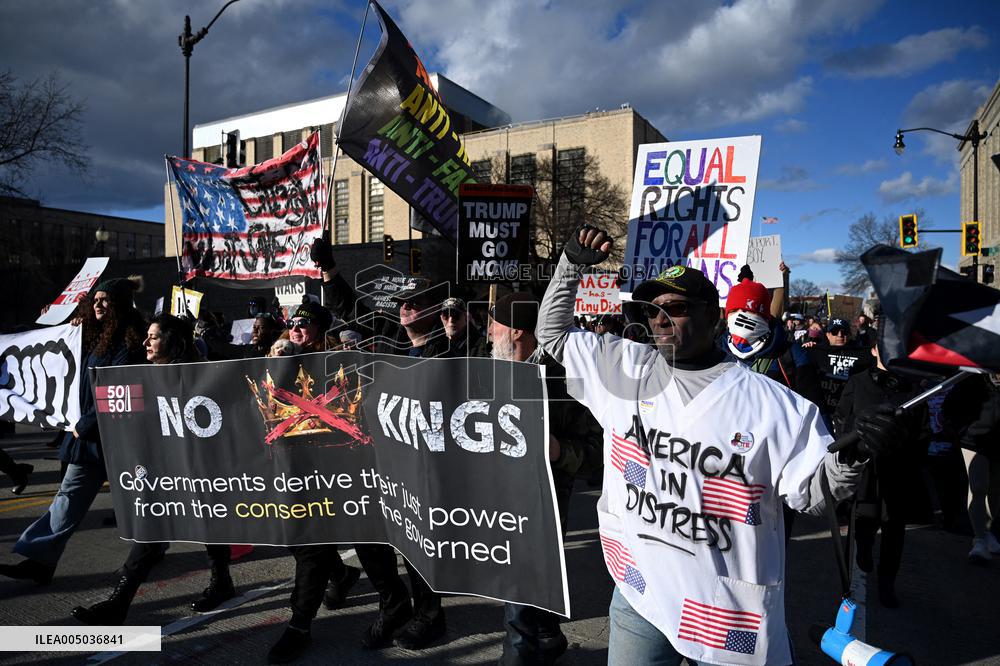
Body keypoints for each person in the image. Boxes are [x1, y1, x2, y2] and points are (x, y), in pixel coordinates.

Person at [535, 226, 899, 666]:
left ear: (714, 317)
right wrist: (570, 263)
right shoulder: (623, 367)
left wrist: (854, 452)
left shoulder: (772, 404)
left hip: (723, 613)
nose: (660, 320)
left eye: (678, 308)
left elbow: (815, 493)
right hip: (639, 591)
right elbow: (553, 335)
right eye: (653, 310)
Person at [311, 237, 450, 651]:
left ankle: (430, 615)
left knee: (416, 541)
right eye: (404, 301)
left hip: (423, 464)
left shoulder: (449, 352)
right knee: (368, 534)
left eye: (418, 301)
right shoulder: (390, 337)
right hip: (378, 459)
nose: (408, 307)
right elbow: (349, 308)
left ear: (435, 311)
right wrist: (330, 268)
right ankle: (394, 605)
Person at [71, 314, 240, 624]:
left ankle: (223, 582)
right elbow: (117, 411)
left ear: (173, 341)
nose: (146, 342)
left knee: (211, 526)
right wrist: (87, 425)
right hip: (164, 473)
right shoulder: (144, 376)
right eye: (147, 336)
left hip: (202, 469)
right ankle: (118, 603)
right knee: (152, 531)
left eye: (154, 336)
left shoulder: (200, 375)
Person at [0, 277, 146, 586]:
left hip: (116, 440)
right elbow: (50, 347)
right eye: (95, 299)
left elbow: (123, 391)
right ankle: (40, 560)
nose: (98, 304)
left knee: (146, 502)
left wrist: (86, 424)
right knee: (68, 498)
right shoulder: (94, 336)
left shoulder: (131, 344)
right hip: (91, 442)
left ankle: (150, 563)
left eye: (105, 299)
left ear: (119, 304)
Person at [491, 292, 602, 665]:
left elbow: (596, 453)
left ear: (517, 330)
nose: (489, 332)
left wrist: (557, 450)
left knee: (519, 587)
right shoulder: (489, 371)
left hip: (544, 502)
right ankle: (548, 634)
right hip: (493, 501)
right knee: (526, 582)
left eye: (496, 324)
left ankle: (519, 655)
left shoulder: (563, 380)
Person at [266, 299, 362, 664]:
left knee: (311, 546)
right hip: (287, 469)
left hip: (325, 469)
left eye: (305, 325)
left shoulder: (331, 364)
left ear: (320, 331)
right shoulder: (278, 358)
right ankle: (341, 573)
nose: (297, 329)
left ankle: (300, 624)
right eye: (293, 323)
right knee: (293, 537)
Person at [836, 341, 929, 608]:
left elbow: (922, 432)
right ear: (874, 350)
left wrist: (910, 455)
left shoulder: (914, 390)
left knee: (894, 529)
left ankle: (887, 583)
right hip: (865, 470)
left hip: (898, 471)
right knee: (864, 522)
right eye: (883, 348)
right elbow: (842, 419)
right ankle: (863, 549)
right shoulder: (858, 382)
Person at [943, 372, 1000, 563]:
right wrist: (962, 432)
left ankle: (988, 531)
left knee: (995, 489)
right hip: (974, 441)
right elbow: (949, 407)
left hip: (997, 442)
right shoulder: (973, 378)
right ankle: (979, 539)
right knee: (978, 486)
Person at [795, 318, 871, 429]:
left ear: (849, 335)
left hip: (847, 416)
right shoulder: (813, 350)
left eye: (844, 332)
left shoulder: (861, 353)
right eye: (835, 332)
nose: (839, 335)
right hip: (821, 414)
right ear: (827, 335)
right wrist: (806, 349)